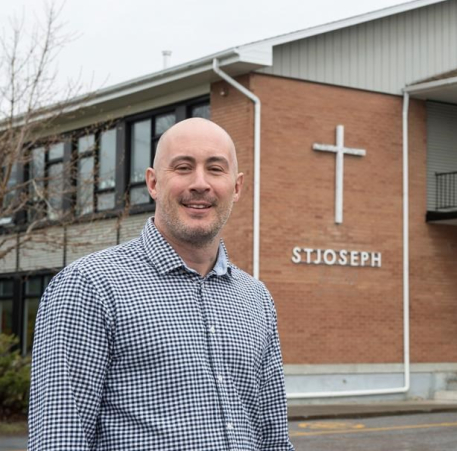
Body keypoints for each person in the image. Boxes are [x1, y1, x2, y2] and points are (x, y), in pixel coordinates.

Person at [29, 118, 294, 450]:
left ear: (237, 187)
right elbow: (60, 439)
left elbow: (274, 440)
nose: (200, 183)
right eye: (183, 167)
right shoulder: (89, 287)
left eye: (215, 169)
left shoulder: (256, 298)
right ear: (153, 183)